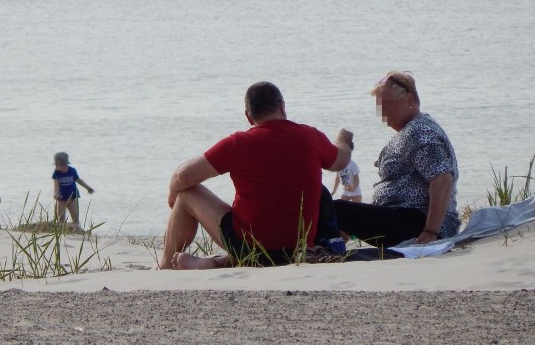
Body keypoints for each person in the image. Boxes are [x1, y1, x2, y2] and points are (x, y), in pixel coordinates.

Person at [159, 81, 353, 270]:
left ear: (248, 117)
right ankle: (215, 262)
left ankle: (166, 265)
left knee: (186, 193)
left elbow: (183, 177)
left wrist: (173, 194)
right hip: (299, 249)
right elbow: (341, 160)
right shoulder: (311, 137)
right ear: (282, 106)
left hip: (249, 248)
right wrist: (343, 139)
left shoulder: (239, 143)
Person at [333, 71, 461, 247]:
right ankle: (334, 243)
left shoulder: (419, 131)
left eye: (387, 105)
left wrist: (431, 231)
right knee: (336, 210)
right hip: (402, 217)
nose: (383, 113)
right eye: (380, 106)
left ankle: (325, 247)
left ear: (409, 100)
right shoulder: (413, 128)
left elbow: (442, 179)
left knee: (335, 209)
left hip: (415, 221)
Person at [52, 152, 94, 231]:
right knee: (61, 217)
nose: (58, 167)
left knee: (74, 215)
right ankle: (61, 229)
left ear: (65, 164)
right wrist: (56, 194)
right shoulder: (56, 173)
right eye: (57, 165)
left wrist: (88, 188)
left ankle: (77, 229)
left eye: (60, 165)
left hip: (72, 197)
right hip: (61, 198)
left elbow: (78, 180)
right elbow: (56, 185)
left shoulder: (72, 171)